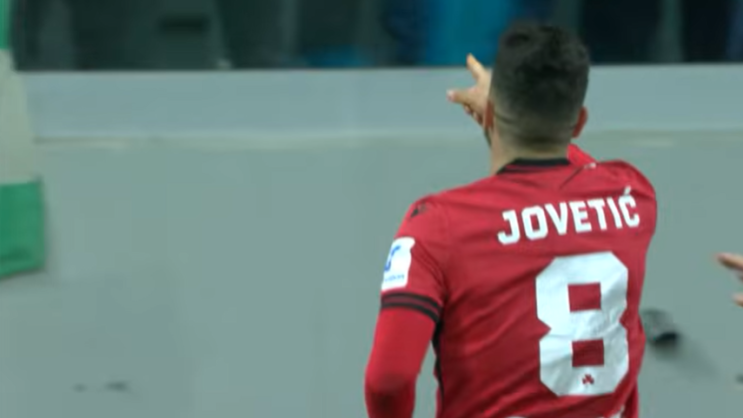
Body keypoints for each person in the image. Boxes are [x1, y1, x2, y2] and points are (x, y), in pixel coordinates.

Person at [364, 22, 657, 418]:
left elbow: (389, 380)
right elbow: (582, 176)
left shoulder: (437, 226)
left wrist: (500, 118)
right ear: (579, 123)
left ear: (489, 113)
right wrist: (519, 124)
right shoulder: (633, 197)